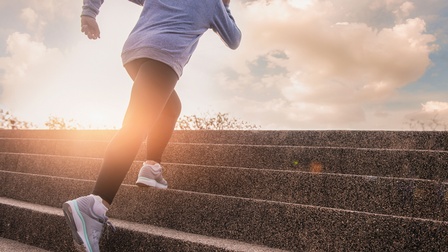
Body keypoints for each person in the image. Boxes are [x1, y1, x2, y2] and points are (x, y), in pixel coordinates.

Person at [62, 0, 241, 251]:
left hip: (135, 53)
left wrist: (89, 13)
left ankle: (151, 166)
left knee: (170, 108)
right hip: (164, 56)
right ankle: (95, 204)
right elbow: (234, 39)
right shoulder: (213, 3)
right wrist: (225, 5)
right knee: (135, 126)